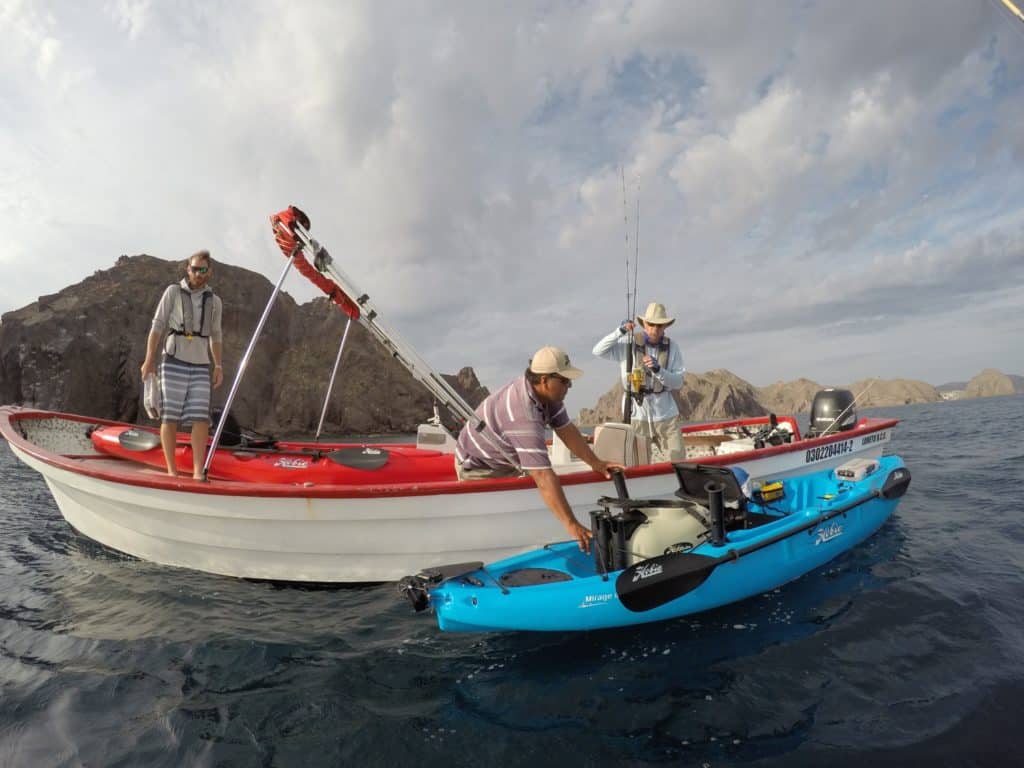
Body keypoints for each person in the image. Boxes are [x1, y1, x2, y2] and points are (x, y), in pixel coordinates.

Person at [454, 346, 624, 553]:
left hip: (506, 459)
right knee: (505, 531)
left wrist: (595, 463)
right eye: (564, 380)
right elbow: (543, 475)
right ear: (544, 380)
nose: (570, 385)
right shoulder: (524, 413)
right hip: (479, 467)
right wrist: (572, 525)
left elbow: (566, 429)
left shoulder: (546, 396)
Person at [140, 250, 224, 479]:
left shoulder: (215, 301)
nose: (198, 273)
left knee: (200, 419)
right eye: (195, 268)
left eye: (203, 269)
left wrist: (218, 366)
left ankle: (198, 473)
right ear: (188, 269)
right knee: (171, 416)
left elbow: (216, 335)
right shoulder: (173, 292)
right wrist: (149, 359)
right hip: (173, 360)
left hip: (200, 364)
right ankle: (172, 471)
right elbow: (157, 325)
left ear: (209, 272)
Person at [593, 301, 686, 461]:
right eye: (651, 324)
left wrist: (659, 371)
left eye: (659, 325)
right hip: (637, 414)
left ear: (665, 327)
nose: (655, 329)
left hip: (666, 415)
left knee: (678, 461)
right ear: (644, 324)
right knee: (639, 463)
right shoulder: (628, 344)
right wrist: (619, 331)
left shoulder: (673, 347)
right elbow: (598, 351)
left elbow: (678, 382)